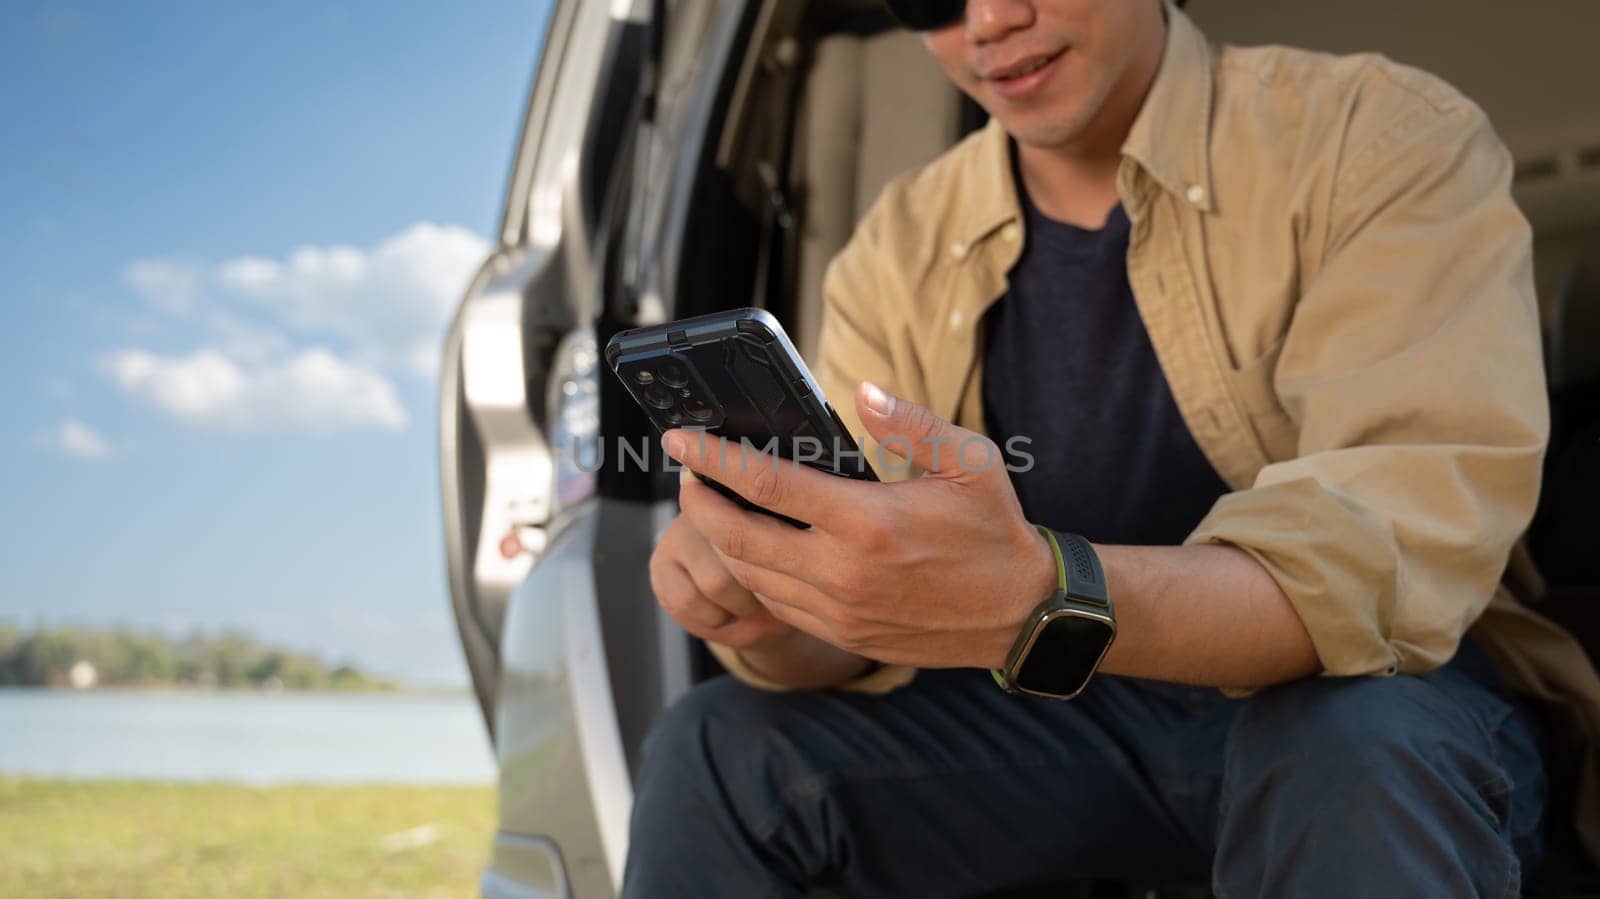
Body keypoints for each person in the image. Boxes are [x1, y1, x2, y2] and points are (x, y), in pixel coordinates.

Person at [622, 1, 1566, 895]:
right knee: (714, 747)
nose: (988, 22)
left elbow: (1377, 552)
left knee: (1347, 736)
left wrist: (1040, 591)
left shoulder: (1379, 138)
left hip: (1383, 703)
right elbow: (868, 623)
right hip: (1069, 727)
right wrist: (778, 605)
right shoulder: (896, 249)